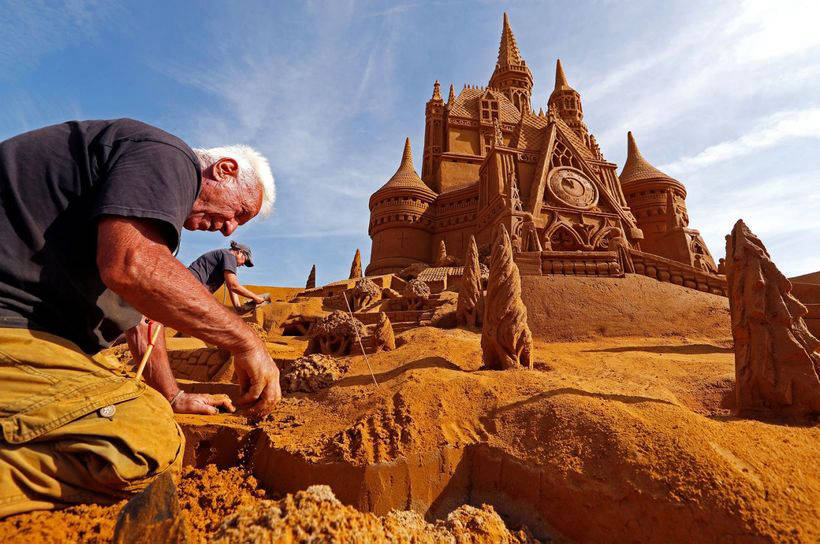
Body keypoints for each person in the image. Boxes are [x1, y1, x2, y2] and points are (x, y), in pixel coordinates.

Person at [0, 118, 281, 518]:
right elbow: (133, 266)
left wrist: (174, 395)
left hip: (38, 329)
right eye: (238, 212)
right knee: (150, 438)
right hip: (12, 322)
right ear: (225, 169)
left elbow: (143, 320)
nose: (229, 230)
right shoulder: (170, 157)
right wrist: (246, 341)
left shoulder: (134, 209)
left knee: (155, 408)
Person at [188, 241, 270, 312]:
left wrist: (238, 307)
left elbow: (231, 288)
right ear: (239, 252)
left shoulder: (226, 258)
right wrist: (256, 298)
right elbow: (233, 285)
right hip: (191, 285)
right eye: (245, 260)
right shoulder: (229, 255)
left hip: (194, 288)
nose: (242, 265)